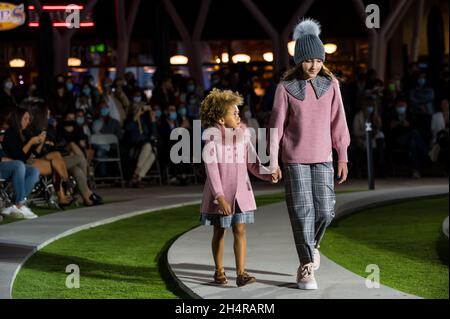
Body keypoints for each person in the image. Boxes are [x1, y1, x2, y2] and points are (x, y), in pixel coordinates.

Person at [268, 19, 350, 290]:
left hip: (324, 157)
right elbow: (276, 127)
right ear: (297, 61)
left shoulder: (331, 86)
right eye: (307, 60)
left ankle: (312, 246)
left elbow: (339, 123)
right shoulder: (285, 89)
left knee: (326, 212)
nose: (313, 65)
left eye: (318, 60)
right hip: (294, 160)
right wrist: (272, 160)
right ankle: (306, 266)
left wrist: (343, 156)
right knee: (302, 213)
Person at [199, 88, 279, 287]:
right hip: (222, 197)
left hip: (242, 194)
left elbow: (253, 163)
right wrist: (220, 197)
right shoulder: (211, 141)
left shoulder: (243, 138)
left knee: (240, 230)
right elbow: (212, 171)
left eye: (238, 112)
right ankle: (219, 272)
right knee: (219, 230)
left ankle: (241, 273)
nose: (238, 115)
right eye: (233, 113)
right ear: (220, 118)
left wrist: (268, 173)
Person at [2, 108, 73, 205]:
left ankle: (66, 181)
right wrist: (31, 142)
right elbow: (19, 157)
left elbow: (33, 154)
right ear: (18, 119)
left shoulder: (24, 133)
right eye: (25, 118)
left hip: (28, 161)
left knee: (56, 154)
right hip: (16, 164)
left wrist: (40, 143)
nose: (28, 121)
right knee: (56, 165)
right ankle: (65, 184)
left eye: (28, 119)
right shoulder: (10, 133)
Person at [0, 150, 40, 219]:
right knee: (19, 165)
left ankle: (14, 206)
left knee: (34, 171)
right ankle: (20, 203)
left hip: (6, 165)